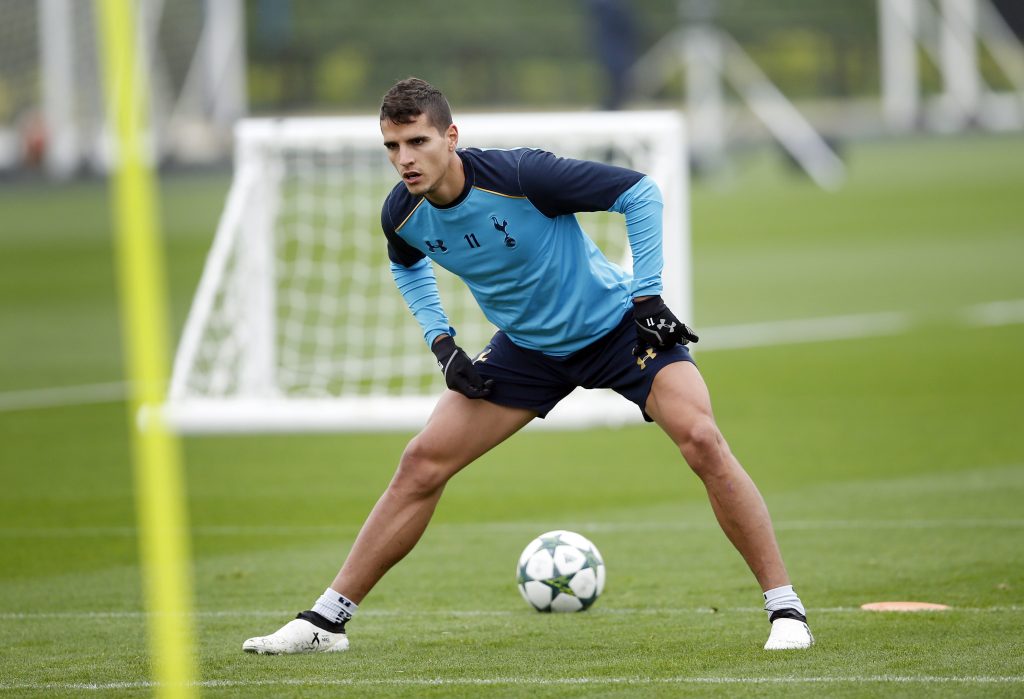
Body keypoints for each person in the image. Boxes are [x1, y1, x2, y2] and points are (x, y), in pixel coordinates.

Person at [242, 77, 813, 655]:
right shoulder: (402, 214)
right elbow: (406, 266)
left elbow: (641, 193)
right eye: (392, 146)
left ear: (451, 137)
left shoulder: (522, 177)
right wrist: (442, 343)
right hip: (528, 350)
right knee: (420, 462)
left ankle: (785, 610)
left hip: (618, 329)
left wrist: (648, 298)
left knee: (703, 440)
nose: (404, 159)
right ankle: (325, 623)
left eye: (417, 142)